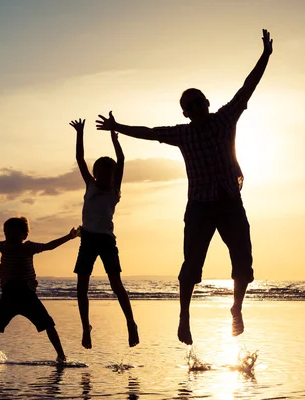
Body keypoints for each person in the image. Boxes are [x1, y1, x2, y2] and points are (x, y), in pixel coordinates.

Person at [95, 29, 274, 345]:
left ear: (206, 103)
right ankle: (184, 318)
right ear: (185, 112)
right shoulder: (183, 134)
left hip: (230, 203)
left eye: (197, 102)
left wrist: (265, 55)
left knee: (244, 265)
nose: (194, 108)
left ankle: (236, 308)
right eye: (188, 106)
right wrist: (116, 127)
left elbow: (248, 88)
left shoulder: (224, 119)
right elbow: (150, 132)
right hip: (200, 207)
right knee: (191, 266)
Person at [0, 215, 78, 364]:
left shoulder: (29, 247)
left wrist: (69, 237)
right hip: (8, 296)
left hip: (28, 295)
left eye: (15, 233)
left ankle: (61, 356)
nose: (11, 237)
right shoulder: (3, 246)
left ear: (24, 235)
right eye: (7, 233)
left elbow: (49, 246)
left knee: (48, 324)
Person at [70, 118, 139, 349]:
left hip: (107, 240)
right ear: (95, 173)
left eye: (107, 173)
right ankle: (85, 328)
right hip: (88, 238)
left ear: (112, 175)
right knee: (82, 285)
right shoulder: (90, 185)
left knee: (115, 283)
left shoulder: (114, 189)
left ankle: (131, 323)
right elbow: (80, 159)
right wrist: (80, 133)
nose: (103, 176)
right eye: (99, 172)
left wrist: (114, 137)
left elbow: (121, 160)